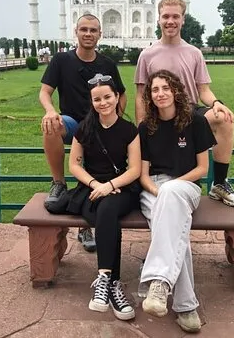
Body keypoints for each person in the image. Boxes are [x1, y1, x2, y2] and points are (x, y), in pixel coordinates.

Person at [134, 0, 234, 207]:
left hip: (189, 114)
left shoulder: (193, 53)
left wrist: (216, 103)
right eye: (166, 16)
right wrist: (142, 125)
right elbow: (141, 94)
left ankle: (219, 183)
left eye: (175, 16)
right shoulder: (147, 55)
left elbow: (203, 90)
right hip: (160, 115)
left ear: (183, 19)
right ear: (158, 19)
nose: (170, 21)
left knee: (224, 118)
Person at [39, 14, 127, 252]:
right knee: (51, 125)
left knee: (96, 175)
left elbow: (121, 95)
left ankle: (85, 226)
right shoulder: (61, 60)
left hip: (99, 124)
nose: (88, 34)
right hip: (72, 123)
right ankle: (58, 183)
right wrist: (50, 111)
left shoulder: (107, 64)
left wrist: (115, 120)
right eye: (84, 29)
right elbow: (45, 92)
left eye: (93, 30)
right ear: (76, 32)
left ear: (100, 34)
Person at [137, 69, 216, 333]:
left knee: (172, 212)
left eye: (165, 88)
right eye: (154, 90)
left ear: (175, 91)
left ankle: (158, 282)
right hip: (154, 188)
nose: (160, 94)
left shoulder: (196, 121)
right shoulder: (146, 127)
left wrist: (171, 188)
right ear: (150, 96)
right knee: (175, 231)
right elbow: (143, 175)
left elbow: (202, 168)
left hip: (186, 186)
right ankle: (186, 306)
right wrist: (159, 191)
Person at [62, 73, 141, 320]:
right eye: (97, 99)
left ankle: (103, 278)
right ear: (92, 102)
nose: (103, 103)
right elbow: (74, 165)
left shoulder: (129, 130)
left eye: (107, 97)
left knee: (107, 209)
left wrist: (110, 185)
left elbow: (135, 169)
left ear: (117, 97)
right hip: (91, 187)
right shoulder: (85, 128)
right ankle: (112, 284)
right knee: (107, 214)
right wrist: (97, 184)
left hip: (121, 188)